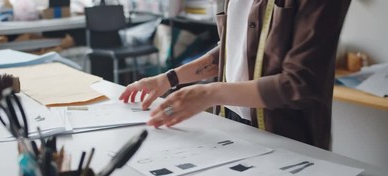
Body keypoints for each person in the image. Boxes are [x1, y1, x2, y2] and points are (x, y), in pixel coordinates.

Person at [119, 0, 351, 150]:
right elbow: (233, 49)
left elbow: (300, 83)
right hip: (230, 123)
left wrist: (209, 93)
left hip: (286, 136)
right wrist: (169, 79)